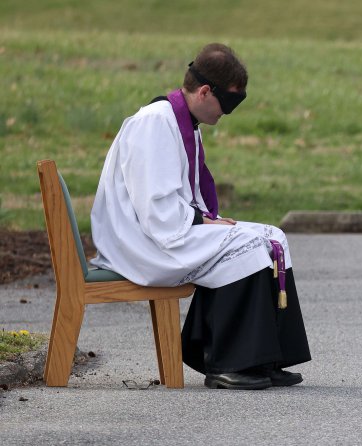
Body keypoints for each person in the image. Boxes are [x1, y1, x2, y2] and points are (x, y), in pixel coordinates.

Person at [90, 43, 311, 390]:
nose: (228, 113)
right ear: (206, 91)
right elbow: (155, 206)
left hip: (167, 228)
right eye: (228, 103)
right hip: (142, 241)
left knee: (272, 237)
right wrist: (202, 221)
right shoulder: (154, 123)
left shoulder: (182, 123)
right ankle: (224, 363)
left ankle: (267, 358)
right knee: (248, 245)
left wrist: (203, 219)